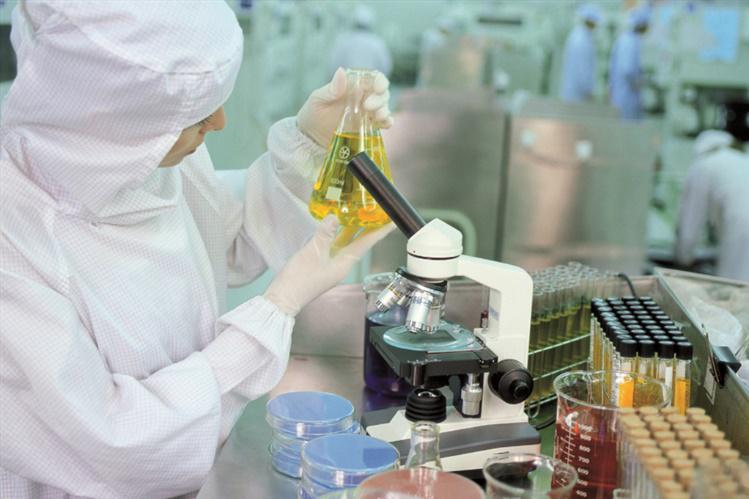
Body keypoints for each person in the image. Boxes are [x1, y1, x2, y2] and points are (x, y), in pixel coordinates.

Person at [0, 2, 393, 497]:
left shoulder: (145, 161)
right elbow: (115, 446)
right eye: (197, 114)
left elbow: (220, 234)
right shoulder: (14, 242)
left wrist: (309, 143)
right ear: (112, 118)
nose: (221, 122)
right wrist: (277, 307)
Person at [676, 130, 749, 282]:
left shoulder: (703, 165)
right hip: (740, 231)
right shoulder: (743, 159)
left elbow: (690, 222)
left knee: (734, 288)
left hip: (741, 235)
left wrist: (683, 258)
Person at [328, 5, 392, 77]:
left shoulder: (344, 40)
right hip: (370, 83)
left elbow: (333, 65)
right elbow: (385, 67)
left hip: (346, 82)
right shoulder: (377, 43)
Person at [608, 7, 650, 120]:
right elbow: (628, 70)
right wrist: (640, 82)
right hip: (626, 97)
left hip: (623, 95)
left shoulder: (628, 39)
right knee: (625, 124)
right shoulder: (630, 42)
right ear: (641, 24)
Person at [560, 4, 602, 103]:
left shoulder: (579, 35)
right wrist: (588, 91)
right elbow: (583, 69)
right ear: (590, 21)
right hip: (578, 93)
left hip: (574, 90)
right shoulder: (582, 40)